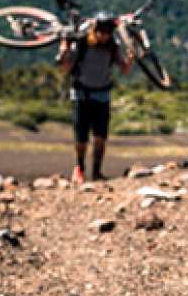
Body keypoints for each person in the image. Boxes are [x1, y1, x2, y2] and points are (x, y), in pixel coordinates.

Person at [57, 12, 132, 183]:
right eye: (102, 32)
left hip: (102, 94)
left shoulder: (112, 46)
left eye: (108, 33)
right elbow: (66, 67)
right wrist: (64, 50)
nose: (105, 36)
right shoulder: (82, 43)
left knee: (100, 138)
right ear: (95, 30)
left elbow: (125, 70)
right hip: (81, 94)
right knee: (81, 138)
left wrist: (129, 59)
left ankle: (97, 172)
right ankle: (79, 168)